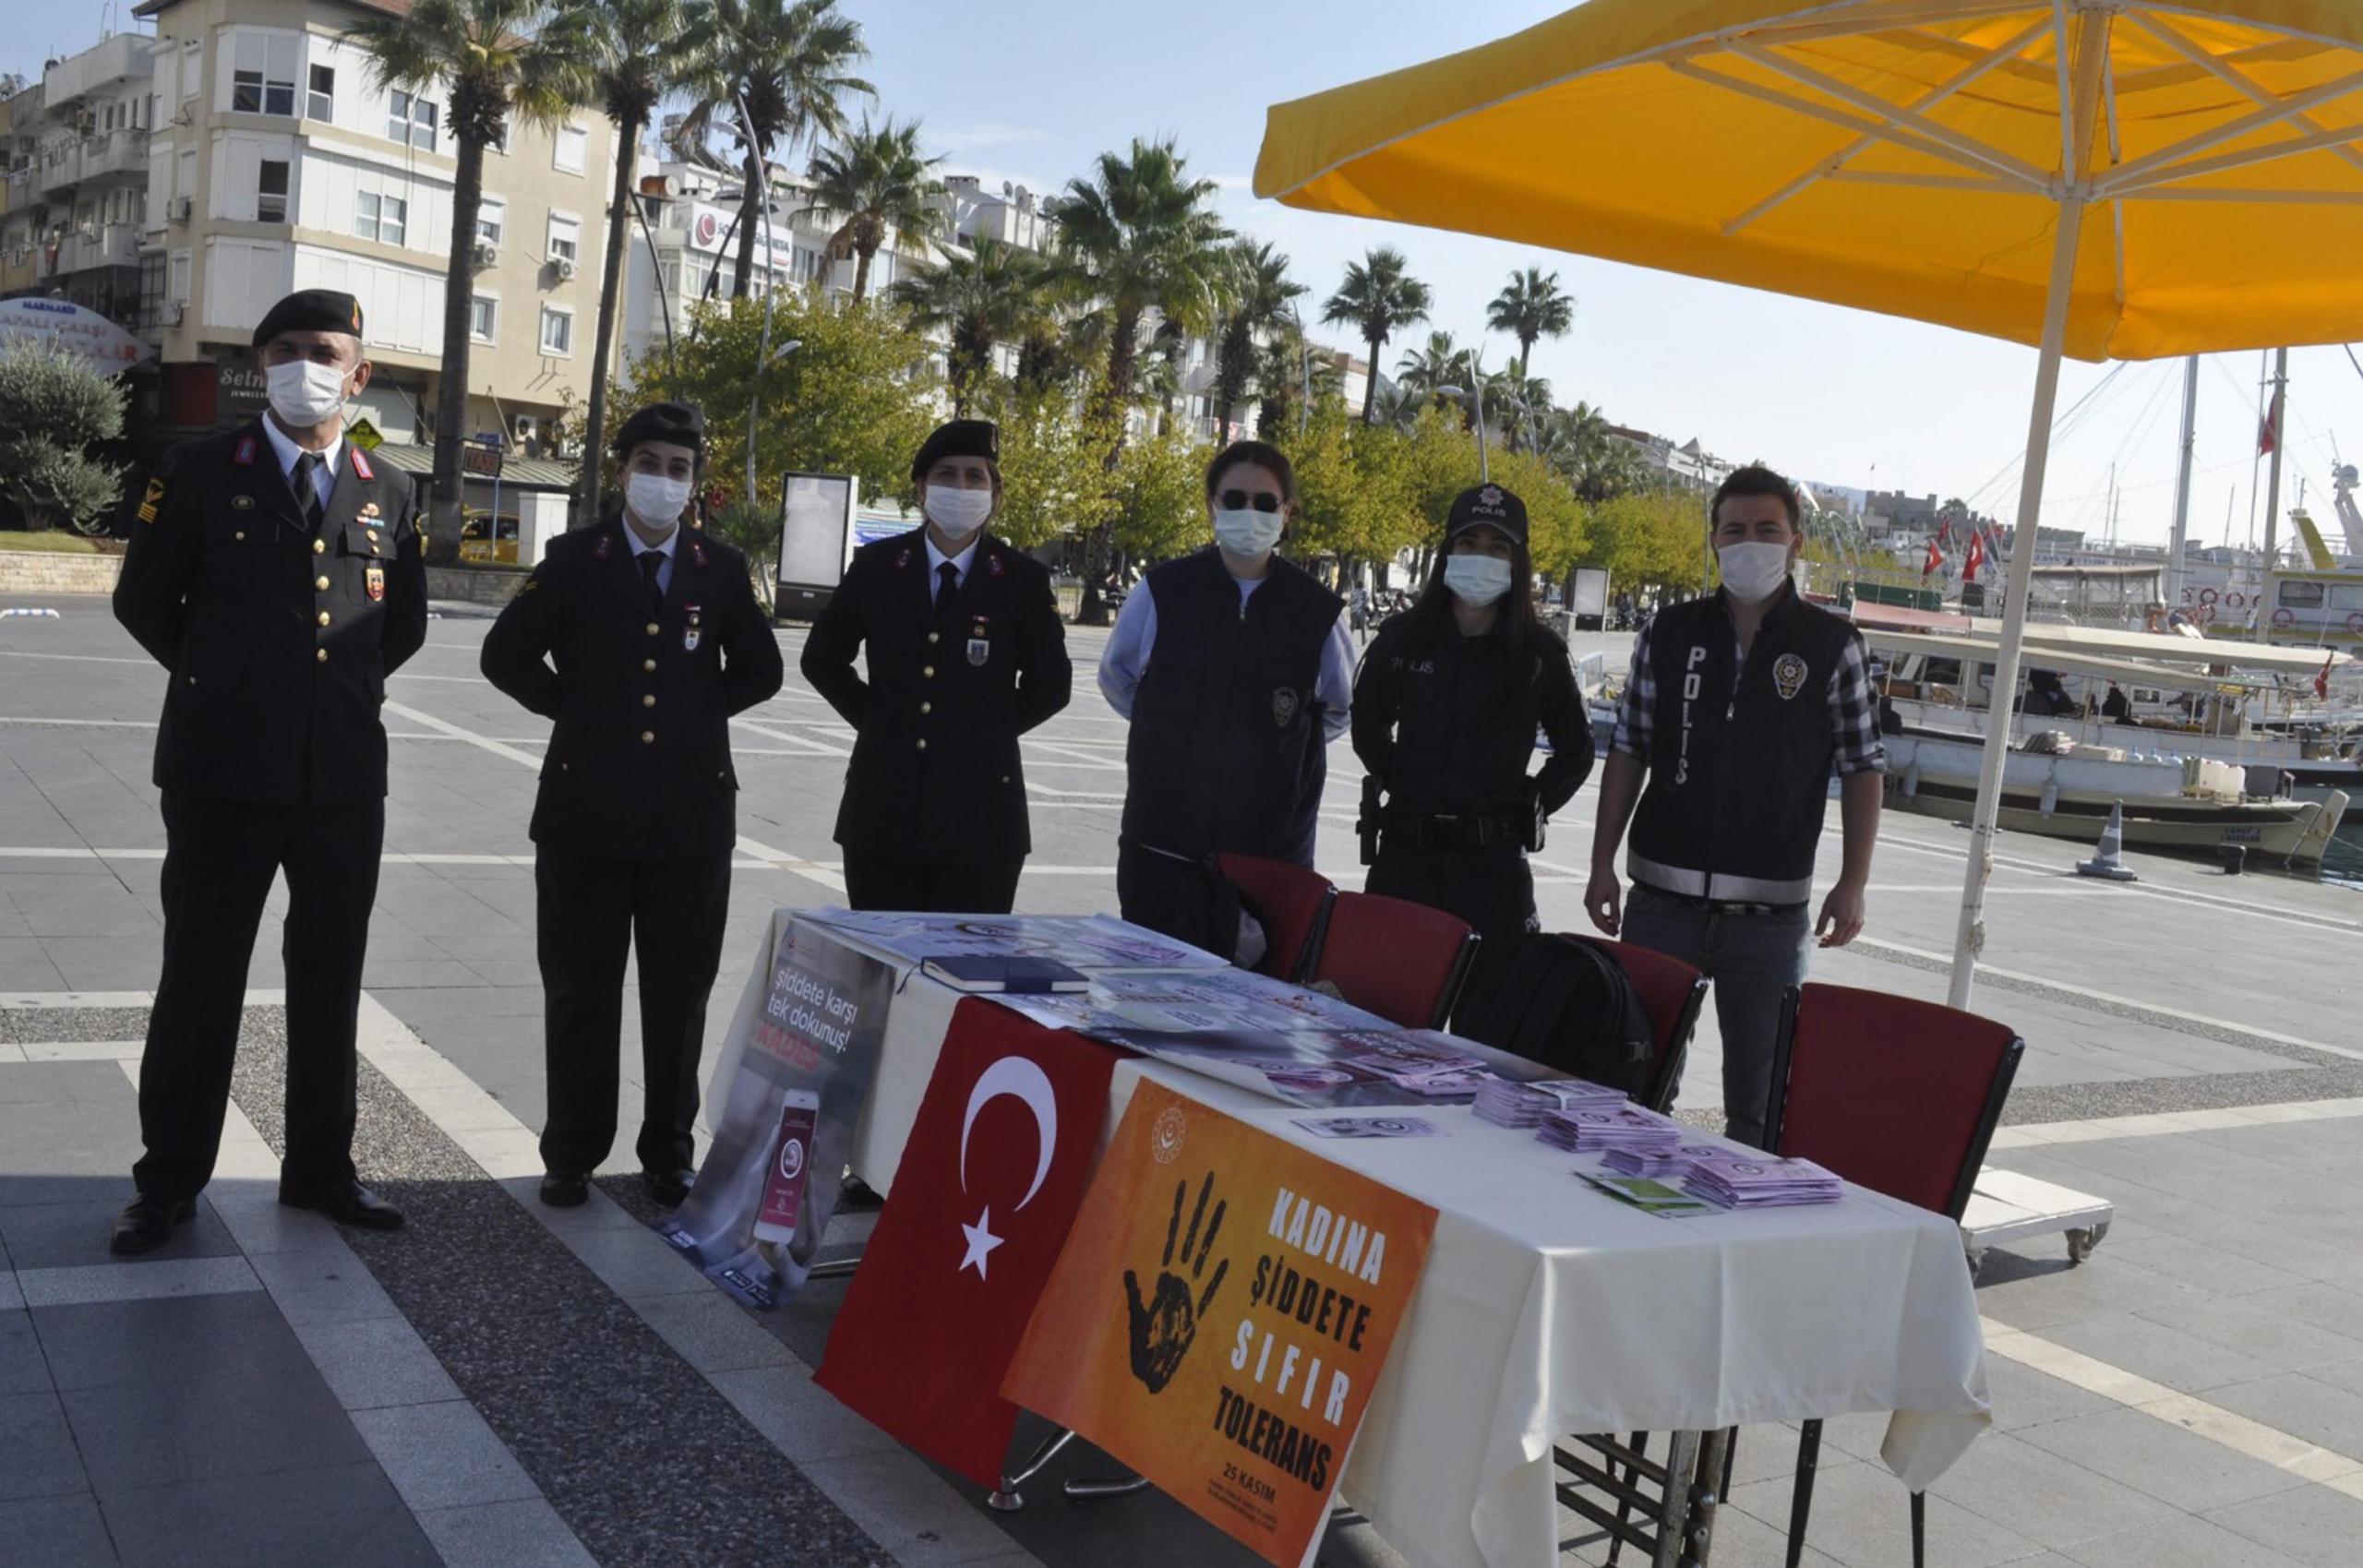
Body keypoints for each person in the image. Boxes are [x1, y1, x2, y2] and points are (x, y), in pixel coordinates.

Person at [107, 288, 426, 1253]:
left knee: (331, 978)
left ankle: (321, 1171)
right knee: (200, 978)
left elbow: (398, 624)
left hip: (341, 780)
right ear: (260, 366)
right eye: (283, 349)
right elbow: (144, 601)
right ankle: (167, 1182)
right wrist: (226, 683)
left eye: (323, 350)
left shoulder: (389, 487)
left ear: (359, 373)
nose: (303, 366)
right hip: (220, 772)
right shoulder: (201, 468)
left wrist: (323, 699)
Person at [480, 401, 784, 1209]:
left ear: (695, 482)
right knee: (580, 987)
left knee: (679, 993)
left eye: (680, 468)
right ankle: (572, 1151)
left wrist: (693, 713)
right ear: (623, 471)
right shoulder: (576, 558)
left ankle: (669, 1151)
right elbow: (503, 653)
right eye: (651, 463)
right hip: (587, 812)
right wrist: (574, 710)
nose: (665, 480)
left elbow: (763, 669)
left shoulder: (719, 568)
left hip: (690, 818)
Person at [1583, 465, 1883, 1148]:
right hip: (1661, 904)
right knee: (1634, 1083)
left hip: (1770, 922)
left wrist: (1853, 880)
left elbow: (1863, 766)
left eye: (1766, 529)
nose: (1750, 542)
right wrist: (1602, 863)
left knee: (1761, 1106)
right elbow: (1628, 748)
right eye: (1735, 529)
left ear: (1795, 541)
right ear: (1713, 540)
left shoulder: (1833, 646)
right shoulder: (1669, 631)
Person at [802, 418, 1071, 912]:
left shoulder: (1022, 580)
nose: (961, 486)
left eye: (975, 476)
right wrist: (879, 720)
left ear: (995, 492)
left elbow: (1051, 685)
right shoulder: (878, 567)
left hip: (983, 814)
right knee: (885, 972)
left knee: (966, 971)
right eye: (947, 475)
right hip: (883, 807)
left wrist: (980, 732)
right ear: (923, 489)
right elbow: (821, 658)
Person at [1351, 484, 1593, 999]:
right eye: (1468, 543)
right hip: (1406, 857)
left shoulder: (1539, 654)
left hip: (1493, 866)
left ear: (1517, 560)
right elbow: (1367, 725)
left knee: (1488, 1029)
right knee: (1381, 1014)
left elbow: (1577, 751)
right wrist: (1404, 781)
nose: (1480, 556)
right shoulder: (1402, 638)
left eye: (1497, 547)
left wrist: (1531, 804)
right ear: (1447, 552)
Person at [1100, 439, 1352, 928]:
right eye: (1234, 499)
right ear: (1211, 506)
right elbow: (1119, 678)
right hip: (1161, 851)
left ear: (1287, 512)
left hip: (1270, 863)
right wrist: (1174, 731)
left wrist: (1278, 754)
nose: (1248, 512)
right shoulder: (1163, 591)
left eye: (1265, 503)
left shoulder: (1317, 612)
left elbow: (1338, 709)